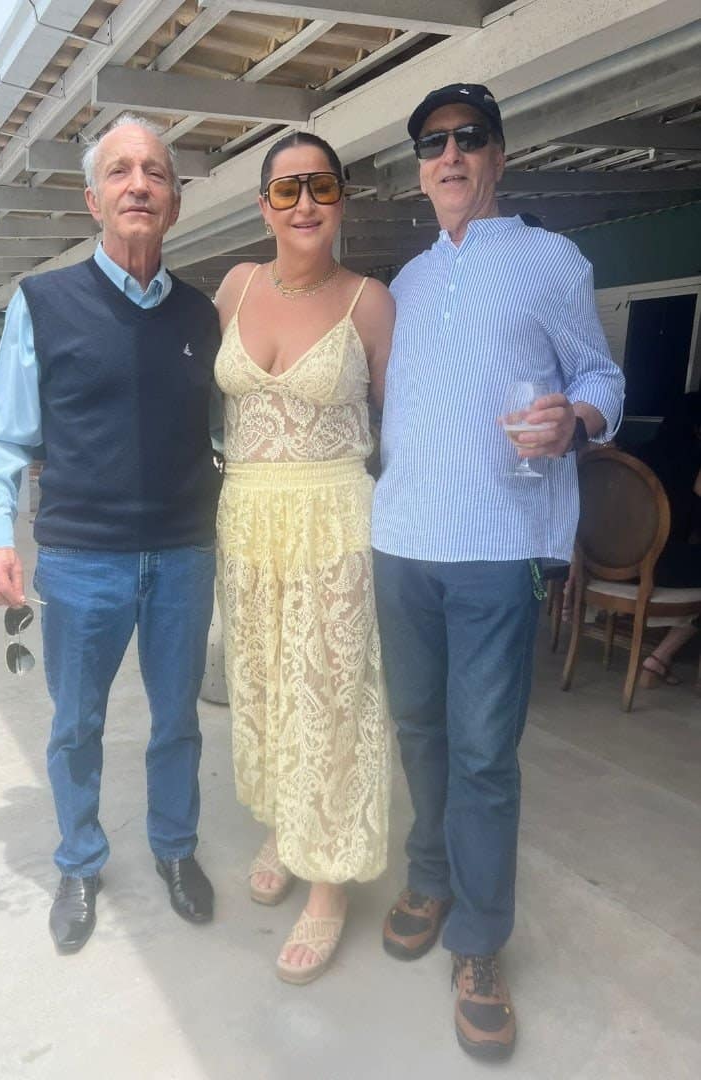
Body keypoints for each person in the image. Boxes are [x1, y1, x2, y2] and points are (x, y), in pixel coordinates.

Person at [371, 84, 625, 1059]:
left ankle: (478, 944)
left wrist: (578, 420)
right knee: (418, 730)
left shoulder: (552, 261)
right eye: (432, 143)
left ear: (499, 156)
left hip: (494, 549)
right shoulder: (405, 282)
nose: (449, 155)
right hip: (403, 544)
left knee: (483, 754)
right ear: (420, 168)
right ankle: (431, 877)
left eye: (468, 138)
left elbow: (601, 375)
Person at [0, 114, 222, 954]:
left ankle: (175, 848)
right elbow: (4, 437)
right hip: (80, 560)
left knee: (177, 719)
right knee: (76, 724)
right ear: (92, 199)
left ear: (175, 201)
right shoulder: (43, 304)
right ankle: (79, 861)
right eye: (120, 171)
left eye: (155, 172)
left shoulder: (201, 316)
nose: (138, 184)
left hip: (184, 555)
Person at [213, 132, 394, 984]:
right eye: (286, 190)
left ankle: (329, 884)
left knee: (331, 693)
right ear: (264, 207)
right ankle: (287, 826)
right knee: (266, 684)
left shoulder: (370, 302)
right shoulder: (236, 287)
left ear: (342, 198)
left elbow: (398, 426)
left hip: (333, 521)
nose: (305, 204)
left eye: (321, 186)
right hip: (248, 521)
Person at [634, 392, 701, 686]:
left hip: (608, 565)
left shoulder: (633, 455)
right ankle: (660, 657)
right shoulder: (694, 461)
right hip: (658, 566)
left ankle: (659, 660)